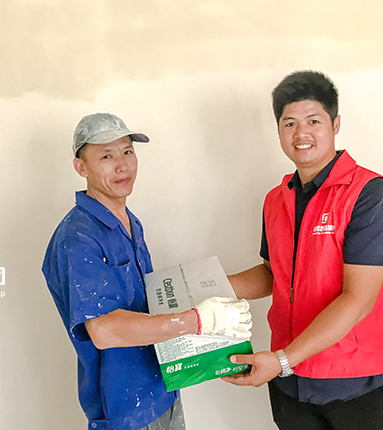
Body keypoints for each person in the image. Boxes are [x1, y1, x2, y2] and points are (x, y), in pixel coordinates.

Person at [42, 112, 252, 430]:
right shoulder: (78, 238)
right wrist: (198, 321)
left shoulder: (128, 221)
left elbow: (148, 303)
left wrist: (213, 337)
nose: (122, 165)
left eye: (127, 151)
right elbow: (103, 330)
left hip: (162, 384)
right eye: (107, 156)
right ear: (80, 167)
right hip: (124, 407)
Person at [222, 71, 383, 430]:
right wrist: (204, 286)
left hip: (355, 383)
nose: (300, 133)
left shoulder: (371, 194)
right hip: (290, 385)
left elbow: (359, 299)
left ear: (335, 124)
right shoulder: (276, 199)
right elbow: (272, 274)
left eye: (313, 121)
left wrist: (282, 360)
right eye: (289, 123)